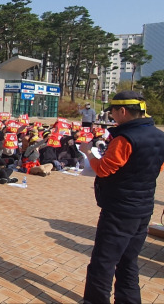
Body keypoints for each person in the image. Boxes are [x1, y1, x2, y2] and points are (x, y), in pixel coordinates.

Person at [80, 91, 164, 304]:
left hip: (119, 210)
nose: (112, 117)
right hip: (144, 209)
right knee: (129, 261)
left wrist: (89, 153)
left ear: (123, 111)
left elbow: (104, 170)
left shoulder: (125, 138)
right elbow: (159, 166)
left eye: (113, 113)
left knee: (103, 262)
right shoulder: (159, 136)